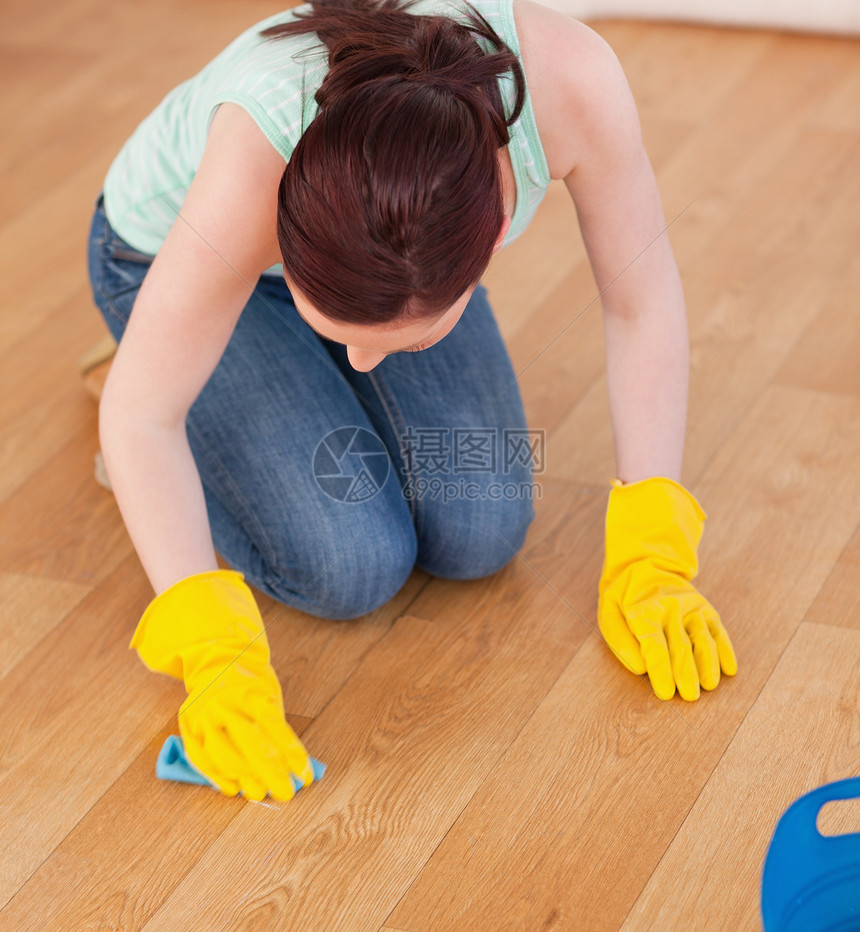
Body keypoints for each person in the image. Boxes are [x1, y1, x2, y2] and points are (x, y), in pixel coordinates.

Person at [87, 0, 737, 802]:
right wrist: (213, 655)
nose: (362, 361)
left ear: (488, 236)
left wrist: (654, 548)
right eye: (345, 339)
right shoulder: (251, 157)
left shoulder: (574, 85)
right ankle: (171, 365)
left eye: (398, 340)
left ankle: (297, 373)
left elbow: (641, 300)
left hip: (390, 274)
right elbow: (142, 415)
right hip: (174, 265)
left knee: (482, 525)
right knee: (348, 562)